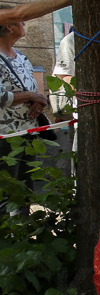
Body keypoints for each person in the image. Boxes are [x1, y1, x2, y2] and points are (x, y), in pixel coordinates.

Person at [0, 14, 50, 213]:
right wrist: (29, 95)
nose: (24, 24)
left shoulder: (21, 57)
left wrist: (39, 101)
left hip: (29, 132)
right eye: (20, 20)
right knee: (5, 191)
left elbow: (34, 90)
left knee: (25, 189)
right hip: (5, 136)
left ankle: (23, 226)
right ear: (8, 26)